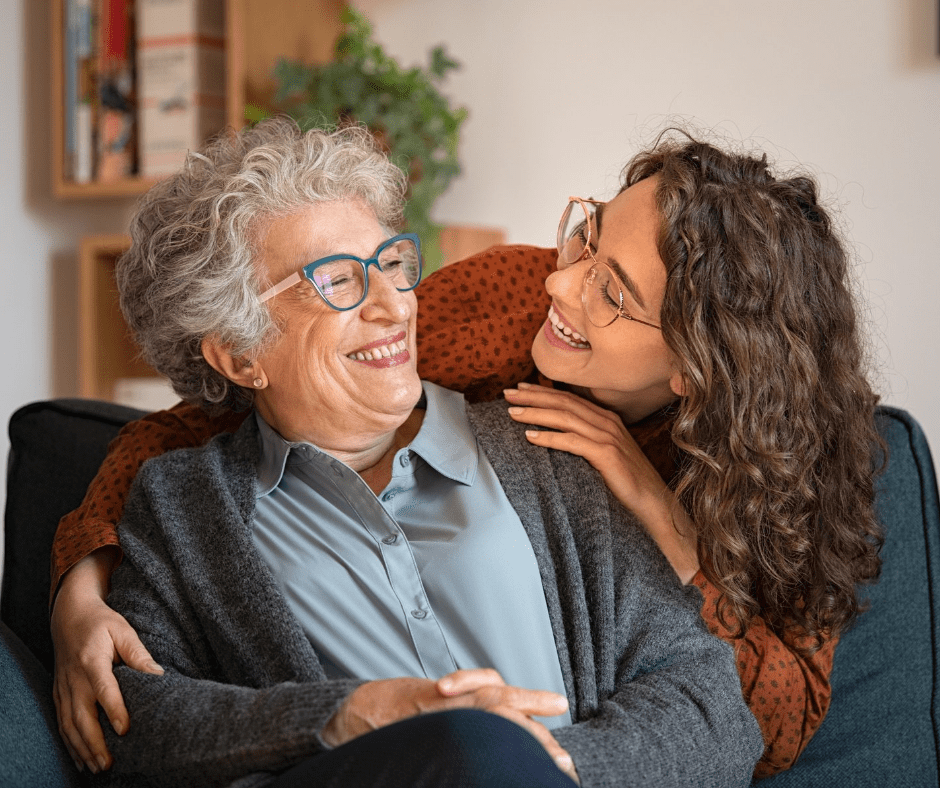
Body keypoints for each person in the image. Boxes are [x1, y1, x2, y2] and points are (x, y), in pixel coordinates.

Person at [50, 124, 881, 779]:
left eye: (390, 266)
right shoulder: (508, 310)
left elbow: (737, 715)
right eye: (339, 279)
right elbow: (185, 429)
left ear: (701, 368)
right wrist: (79, 588)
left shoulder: (571, 462)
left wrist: (543, 766)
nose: (393, 303)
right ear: (238, 351)